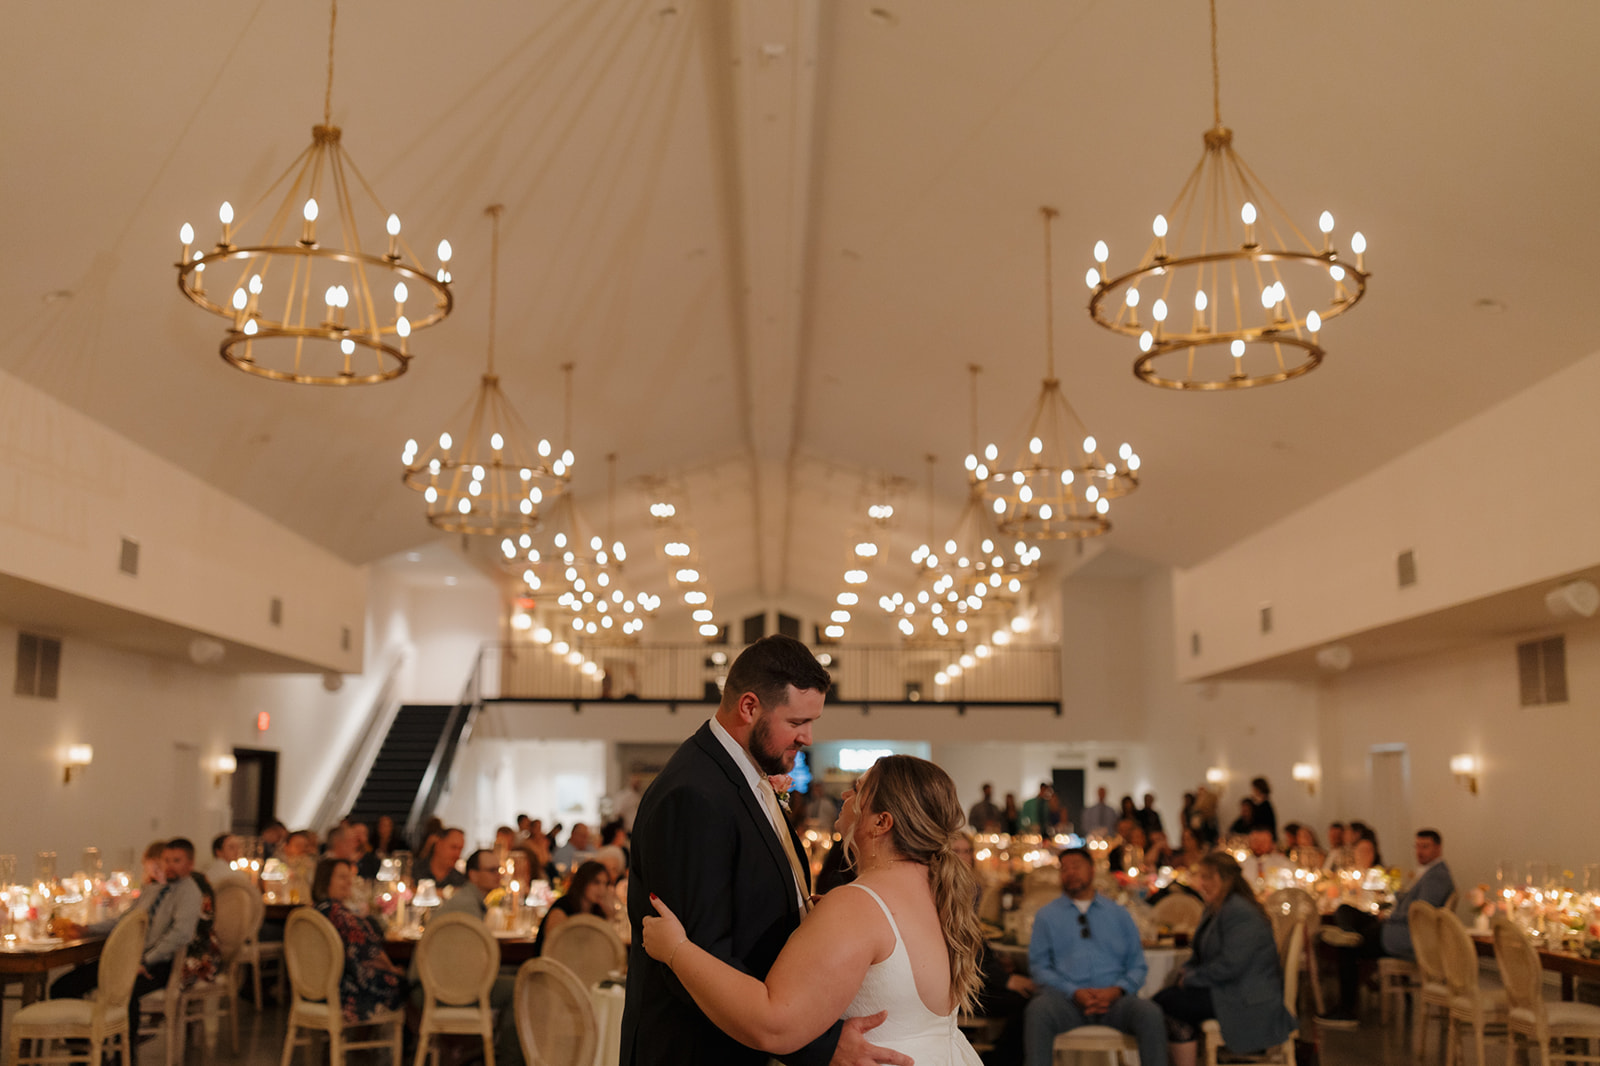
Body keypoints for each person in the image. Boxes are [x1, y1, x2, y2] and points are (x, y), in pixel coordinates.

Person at [622, 634, 910, 1066]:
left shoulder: (745, 776)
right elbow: (699, 960)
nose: (808, 738)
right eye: (796, 723)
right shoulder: (694, 795)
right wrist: (821, 1045)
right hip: (698, 1050)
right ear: (749, 707)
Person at [642, 753, 983, 1065]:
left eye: (857, 789)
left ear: (882, 822)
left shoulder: (858, 904)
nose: (846, 797)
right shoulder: (935, 891)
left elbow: (772, 1025)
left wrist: (676, 950)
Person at [51, 839, 208, 1064]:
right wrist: (87, 930)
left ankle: (123, 1057)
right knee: (62, 986)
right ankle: (82, 1054)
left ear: (189, 864)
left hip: (159, 964)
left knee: (126, 992)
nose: (170, 865)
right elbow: (123, 921)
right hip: (127, 961)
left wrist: (146, 960)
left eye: (177, 861)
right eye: (166, 860)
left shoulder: (190, 893)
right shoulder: (153, 890)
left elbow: (180, 934)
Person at [1023, 848, 1166, 1066]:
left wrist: (1116, 990)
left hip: (1116, 1002)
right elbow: (1039, 968)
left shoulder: (1118, 914)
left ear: (1092, 870)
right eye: (1065, 869)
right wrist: (1074, 992)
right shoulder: (1047, 916)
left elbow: (1137, 966)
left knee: (1150, 1013)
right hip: (1067, 1002)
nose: (1070, 873)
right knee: (1038, 1011)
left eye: (1076, 866)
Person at [1153, 852, 1296, 1066]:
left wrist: (1191, 978)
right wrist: (1187, 972)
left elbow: (1231, 965)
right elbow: (1204, 955)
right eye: (1201, 877)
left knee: (1168, 1003)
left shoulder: (1240, 912)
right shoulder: (1219, 908)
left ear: (1226, 879)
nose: (1202, 884)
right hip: (1230, 988)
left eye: (1208, 877)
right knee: (1166, 1000)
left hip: (1246, 996)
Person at [1320, 829, 1454, 1027]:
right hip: (1394, 927)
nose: (1419, 852)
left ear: (1438, 848)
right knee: (1346, 909)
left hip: (1402, 936)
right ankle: (1349, 933)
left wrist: (1392, 914)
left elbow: (1421, 912)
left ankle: (1346, 1010)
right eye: (1417, 846)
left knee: (1347, 946)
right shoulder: (1429, 873)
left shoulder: (1437, 876)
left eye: (1425, 847)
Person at [952, 832, 1032, 1066]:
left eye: (967, 851)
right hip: (960, 982)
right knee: (1027, 1004)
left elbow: (974, 940)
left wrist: (997, 961)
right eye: (956, 851)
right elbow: (962, 945)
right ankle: (995, 1058)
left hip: (973, 973)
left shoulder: (970, 886)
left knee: (1031, 991)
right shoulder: (947, 889)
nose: (963, 857)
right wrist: (1005, 979)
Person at [311, 858, 406, 1023]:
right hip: (344, 991)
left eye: (350, 877)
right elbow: (370, 954)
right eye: (342, 877)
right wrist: (393, 969)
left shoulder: (315, 912)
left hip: (316, 987)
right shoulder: (341, 916)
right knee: (409, 983)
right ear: (326, 880)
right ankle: (419, 1045)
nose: (349, 882)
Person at [534, 860, 613, 955]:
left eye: (605, 884)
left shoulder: (597, 910)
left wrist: (611, 915)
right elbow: (553, 945)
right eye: (596, 882)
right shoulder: (563, 907)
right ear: (583, 882)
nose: (602, 889)